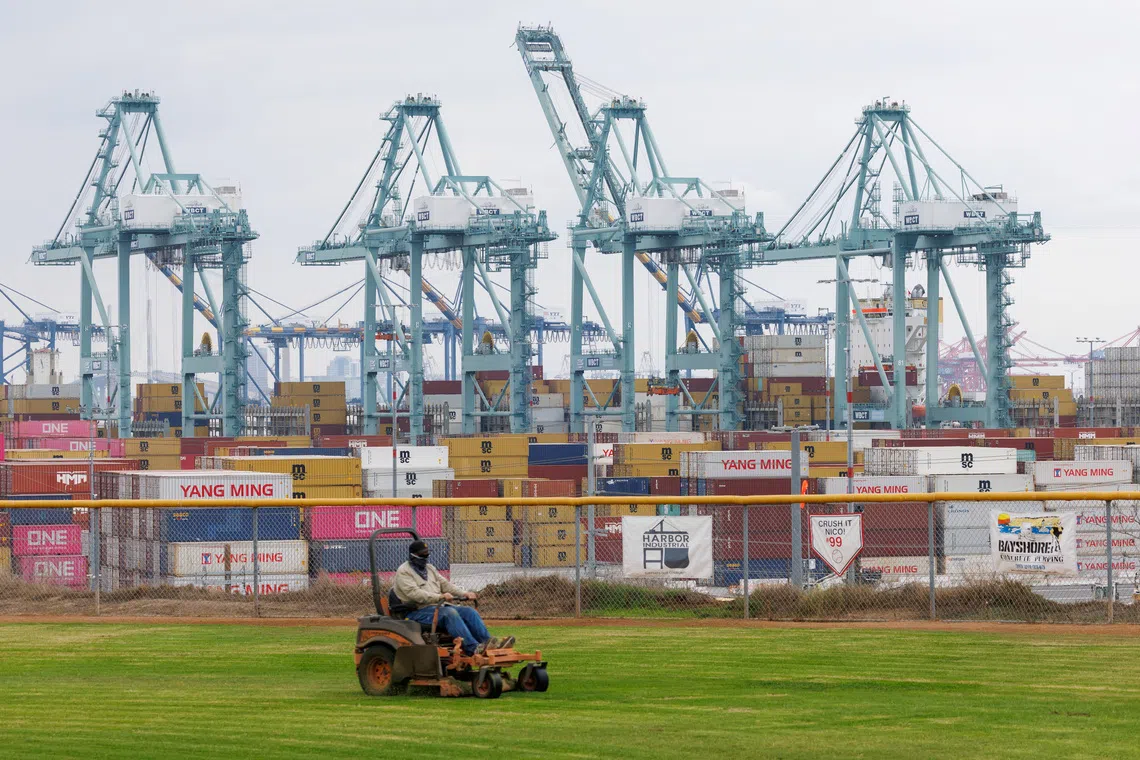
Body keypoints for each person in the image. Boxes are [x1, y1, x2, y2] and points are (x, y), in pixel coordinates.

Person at [391, 540, 515, 655]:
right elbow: (414, 594)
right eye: (422, 556)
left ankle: (489, 644)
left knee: (469, 611)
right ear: (413, 556)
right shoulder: (404, 571)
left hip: (436, 607)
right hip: (416, 611)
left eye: (427, 555)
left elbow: (445, 584)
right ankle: (473, 648)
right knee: (449, 613)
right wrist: (439, 596)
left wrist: (463, 593)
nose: (425, 558)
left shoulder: (429, 568)